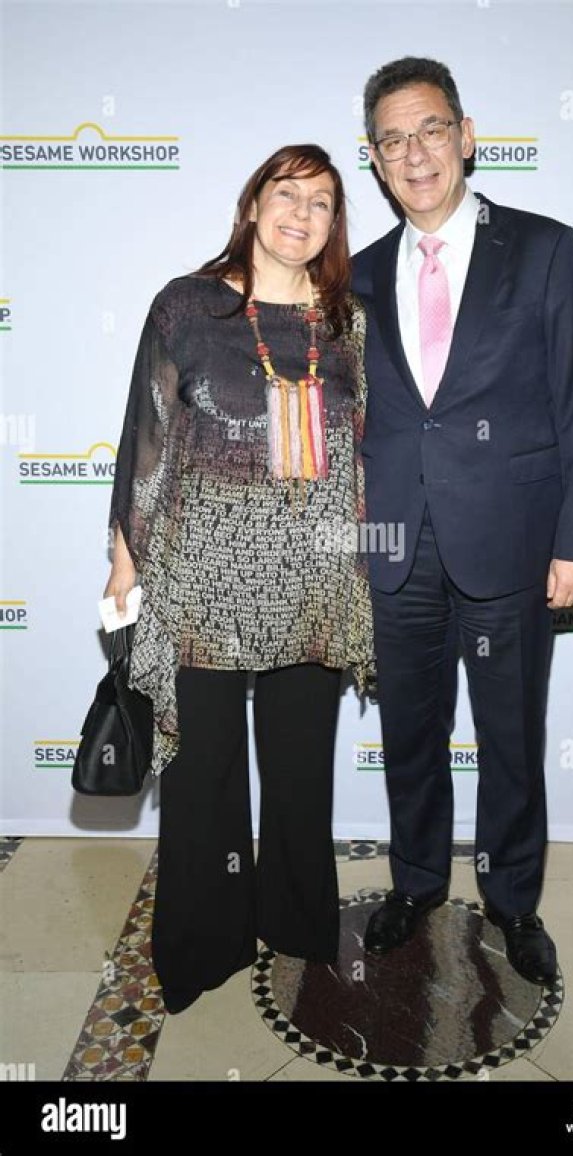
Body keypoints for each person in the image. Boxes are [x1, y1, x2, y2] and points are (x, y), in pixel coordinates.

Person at [352, 58, 573, 985]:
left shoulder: (543, 248)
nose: (414, 153)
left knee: (509, 735)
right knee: (410, 735)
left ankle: (513, 901)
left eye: (430, 129)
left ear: (466, 136)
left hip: (511, 541)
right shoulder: (358, 274)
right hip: (395, 546)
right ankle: (417, 882)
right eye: (392, 139)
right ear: (374, 160)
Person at [104, 144, 374, 1014]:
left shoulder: (348, 322)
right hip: (201, 579)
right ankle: (204, 941)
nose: (302, 214)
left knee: (299, 768)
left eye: (322, 203)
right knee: (202, 771)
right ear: (253, 204)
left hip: (315, 579)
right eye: (287, 194)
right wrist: (125, 557)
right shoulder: (187, 305)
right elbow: (146, 434)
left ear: (334, 224)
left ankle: (297, 921)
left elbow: (362, 452)